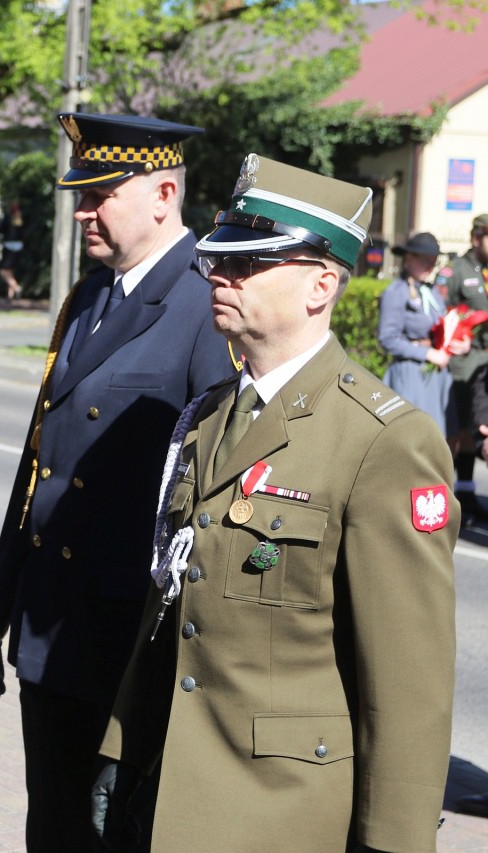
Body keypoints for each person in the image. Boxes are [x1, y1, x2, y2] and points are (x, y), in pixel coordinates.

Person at [92, 154, 456, 853]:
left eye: (249, 264)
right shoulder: (208, 417)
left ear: (322, 284)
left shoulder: (384, 442)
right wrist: (123, 746)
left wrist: (393, 843)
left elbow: (408, 685)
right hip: (172, 794)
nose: (221, 277)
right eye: (219, 260)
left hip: (284, 815)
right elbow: (171, 604)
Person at [0, 113, 233, 851]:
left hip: (125, 640)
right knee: (50, 825)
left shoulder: (205, 303)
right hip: (53, 621)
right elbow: (38, 463)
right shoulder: (89, 296)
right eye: (79, 195)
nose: (82, 210)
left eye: (100, 194)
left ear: (163, 193)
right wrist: (0, 596)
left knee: (110, 834)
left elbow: (210, 493)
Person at [379, 232, 460, 433]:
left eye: (433, 262)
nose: (430, 267)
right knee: (414, 435)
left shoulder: (431, 292)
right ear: (409, 258)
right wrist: (428, 354)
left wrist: (456, 343)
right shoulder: (396, 292)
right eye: (425, 261)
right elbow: (388, 339)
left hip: (435, 375)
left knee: (440, 438)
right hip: (411, 374)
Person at [439, 212, 488, 525]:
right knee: (455, 434)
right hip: (462, 366)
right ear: (476, 238)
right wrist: (459, 338)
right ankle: (441, 495)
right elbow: (441, 315)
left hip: (484, 370)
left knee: (475, 433)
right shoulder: (455, 271)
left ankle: (467, 495)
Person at [0, 200, 24, 300]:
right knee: (11, 271)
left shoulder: (8, 218)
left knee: (3, 272)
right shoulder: (20, 219)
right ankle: (10, 297)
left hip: (9, 246)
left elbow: (0, 229)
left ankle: (16, 287)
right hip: (19, 247)